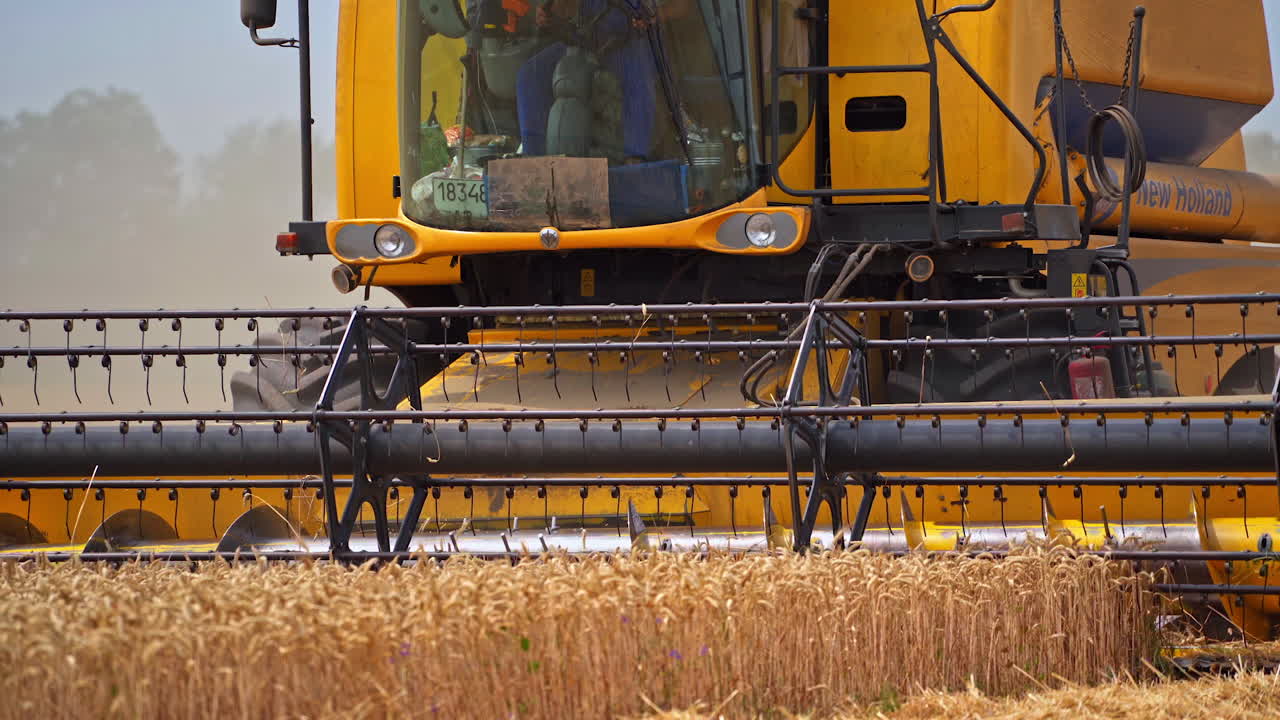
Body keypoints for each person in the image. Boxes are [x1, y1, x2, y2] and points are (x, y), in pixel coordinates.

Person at [514, 0, 658, 162]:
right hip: (589, 39)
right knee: (529, 75)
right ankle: (536, 159)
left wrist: (656, 16)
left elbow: (682, 7)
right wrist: (549, 13)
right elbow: (567, 9)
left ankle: (635, 156)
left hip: (634, 40)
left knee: (636, 73)